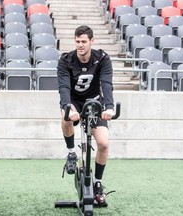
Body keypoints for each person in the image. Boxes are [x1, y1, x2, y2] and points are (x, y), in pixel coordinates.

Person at [57, 25, 115, 206]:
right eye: (77, 42)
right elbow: (64, 88)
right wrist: (69, 107)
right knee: (65, 116)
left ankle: (97, 183)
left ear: (92, 41)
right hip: (74, 101)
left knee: (104, 144)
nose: (80, 45)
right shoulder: (66, 60)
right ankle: (71, 154)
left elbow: (106, 84)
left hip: (95, 103)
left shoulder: (103, 58)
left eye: (84, 41)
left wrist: (110, 107)